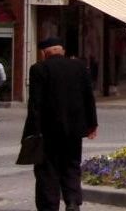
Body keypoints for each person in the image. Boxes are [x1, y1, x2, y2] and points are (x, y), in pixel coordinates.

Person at [22, 37, 98, 211]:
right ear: (62, 51)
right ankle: (72, 202)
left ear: (44, 53)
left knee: (47, 171)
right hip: (74, 131)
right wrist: (92, 124)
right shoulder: (79, 67)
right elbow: (89, 97)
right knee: (71, 165)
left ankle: (50, 205)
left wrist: (32, 131)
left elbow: (35, 104)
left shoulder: (38, 69)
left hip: (48, 132)